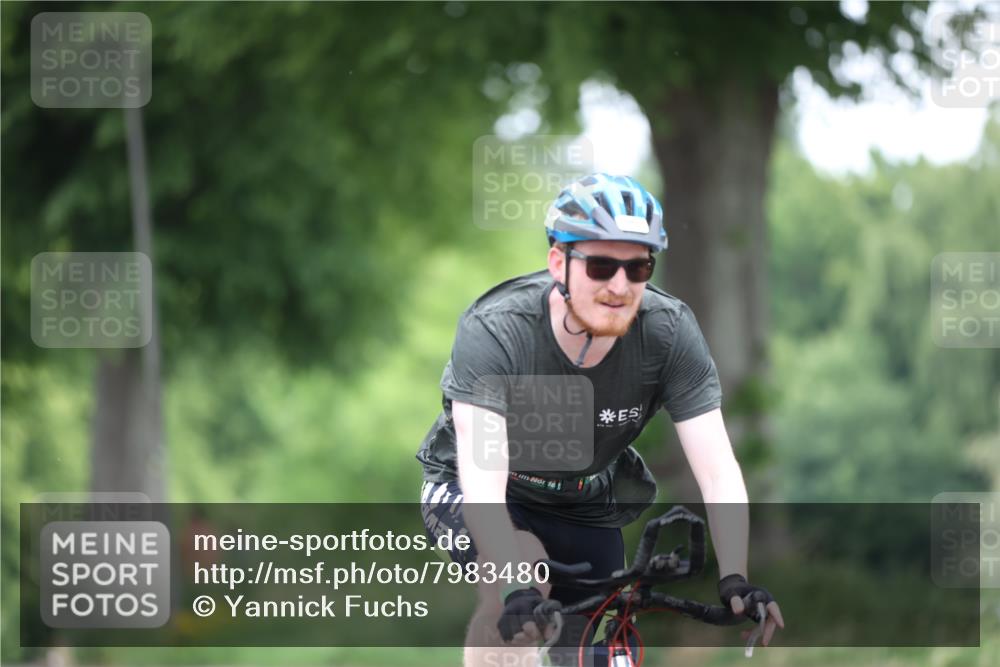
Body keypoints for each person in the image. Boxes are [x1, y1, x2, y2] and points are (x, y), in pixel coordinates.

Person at [417, 173, 784, 666]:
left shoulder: (668, 334)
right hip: (479, 488)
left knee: (604, 652)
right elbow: (484, 478)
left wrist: (735, 576)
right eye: (601, 266)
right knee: (523, 585)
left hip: (584, 501)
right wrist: (512, 587)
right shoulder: (497, 329)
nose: (619, 286)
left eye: (638, 268)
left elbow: (718, 470)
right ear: (558, 263)